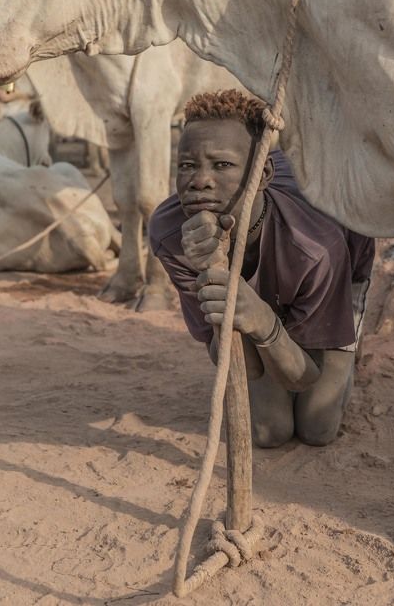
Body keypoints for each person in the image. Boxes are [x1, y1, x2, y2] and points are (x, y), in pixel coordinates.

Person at [149, 89, 374, 448]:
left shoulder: (317, 248)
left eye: (222, 165)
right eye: (187, 165)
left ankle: (344, 347)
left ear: (263, 174)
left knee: (317, 427)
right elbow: (237, 363)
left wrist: (264, 321)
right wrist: (210, 268)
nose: (200, 180)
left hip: (342, 273)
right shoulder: (171, 233)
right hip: (265, 299)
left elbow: (302, 377)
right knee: (270, 432)